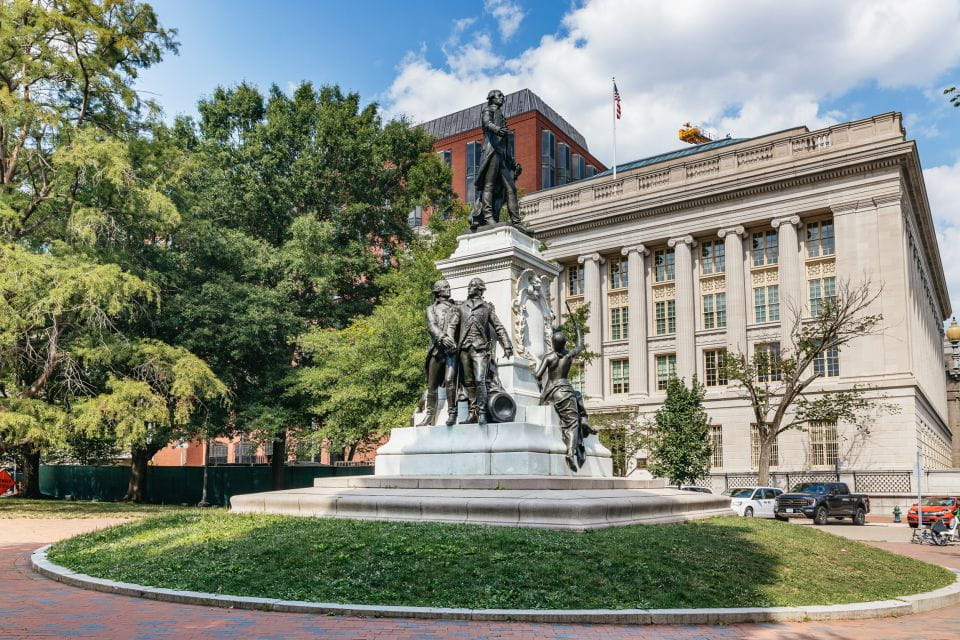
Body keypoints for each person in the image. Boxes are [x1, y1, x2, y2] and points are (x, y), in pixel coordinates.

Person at [444, 277, 513, 427]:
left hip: (480, 348)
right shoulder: (461, 307)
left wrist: (507, 343)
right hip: (464, 349)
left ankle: (482, 412)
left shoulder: (486, 308)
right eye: (469, 285)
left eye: (473, 286)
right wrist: (449, 339)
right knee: (468, 382)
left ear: (480, 289)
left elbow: (498, 326)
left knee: (480, 379)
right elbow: (452, 325)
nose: (470, 287)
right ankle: (472, 412)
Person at [533, 320, 596, 472]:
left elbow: (538, 375)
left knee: (573, 415)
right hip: (566, 390)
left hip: (552, 392)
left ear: (553, 344)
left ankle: (572, 450)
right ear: (564, 343)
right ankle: (571, 451)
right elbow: (580, 346)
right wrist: (579, 330)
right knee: (574, 421)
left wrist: (541, 387)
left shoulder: (549, 357)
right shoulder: (569, 355)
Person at [470, 89, 523, 232]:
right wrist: (498, 129)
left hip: (502, 156)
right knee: (489, 186)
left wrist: (512, 163)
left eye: (503, 96)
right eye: (499, 96)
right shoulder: (487, 110)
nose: (502, 98)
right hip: (491, 152)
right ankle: (488, 217)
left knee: (511, 189)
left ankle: (517, 222)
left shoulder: (501, 115)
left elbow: (505, 145)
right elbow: (487, 123)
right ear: (491, 98)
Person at [419, 279, 459, 426]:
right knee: (432, 385)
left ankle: (452, 413)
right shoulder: (431, 309)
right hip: (437, 349)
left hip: (452, 350)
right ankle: (429, 415)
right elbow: (431, 325)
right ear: (438, 291)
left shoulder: (456, 306)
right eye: (445, 287)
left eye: (448, 286)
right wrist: (442, 337)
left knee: (450, 381)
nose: (448, 289)